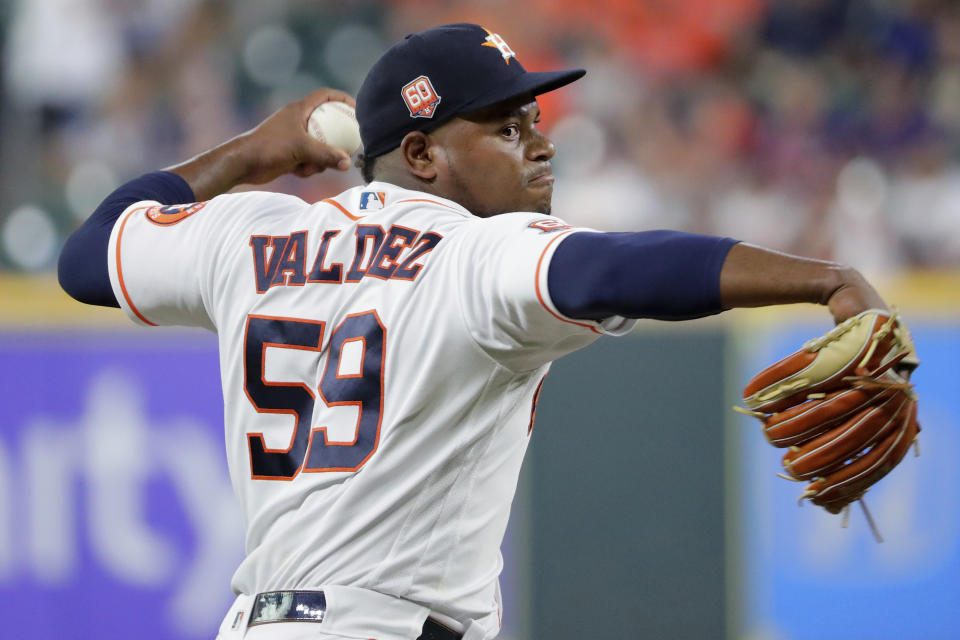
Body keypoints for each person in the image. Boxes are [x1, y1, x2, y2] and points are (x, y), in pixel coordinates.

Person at [58, 23, 889, 640]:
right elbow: (618, 269)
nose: (540, 147)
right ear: (422, 155)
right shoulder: (472, 251)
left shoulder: (250, 235)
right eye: (506, 129)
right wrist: (824, 279)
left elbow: (90, 257)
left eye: (532, 121)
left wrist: (252, 150)